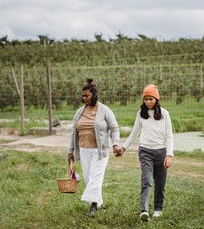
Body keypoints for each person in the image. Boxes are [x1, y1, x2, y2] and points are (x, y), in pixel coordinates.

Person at [118, 84, 174, 221]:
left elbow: (169, 136)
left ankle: (158, 209)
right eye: (146, 99)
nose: (148, 102)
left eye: (151, 99)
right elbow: (134, 132)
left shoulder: (164, 114)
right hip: (145, 152)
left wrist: (169, 155)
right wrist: (124, 147)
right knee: (146, 180)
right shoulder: (141, 114)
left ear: (156, 99)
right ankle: (144, 210)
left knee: (160, 183)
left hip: (161, 152)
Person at [68, 78, 122, 217]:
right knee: (87, 178)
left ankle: (93, 207)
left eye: (87, 95)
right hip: (84, 150)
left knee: (95, 178)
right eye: (83, 95)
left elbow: (114, 128)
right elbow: (74, 132)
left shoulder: (104, 110)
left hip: (100, 150)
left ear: (94, 95)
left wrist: (115, 143)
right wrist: (71, 151)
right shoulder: (80, 112)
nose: (84, 98)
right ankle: (99, 202)